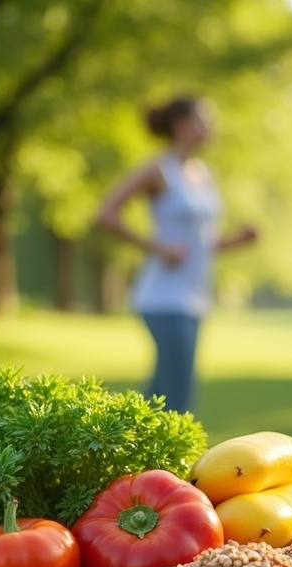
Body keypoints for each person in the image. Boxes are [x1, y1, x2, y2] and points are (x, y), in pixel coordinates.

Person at [96, 96, 257, 414]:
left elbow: (201, 244)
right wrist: (158, 247)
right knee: (178, 400)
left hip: (195, 297)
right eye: (203, 119)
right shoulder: (159, 169)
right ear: (181, 125)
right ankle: (175, 464)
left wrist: (237, 241)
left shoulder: (202, 173)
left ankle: (113, 452)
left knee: (156, 398)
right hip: (164, 298)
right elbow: (106, 214)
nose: (211, 126)